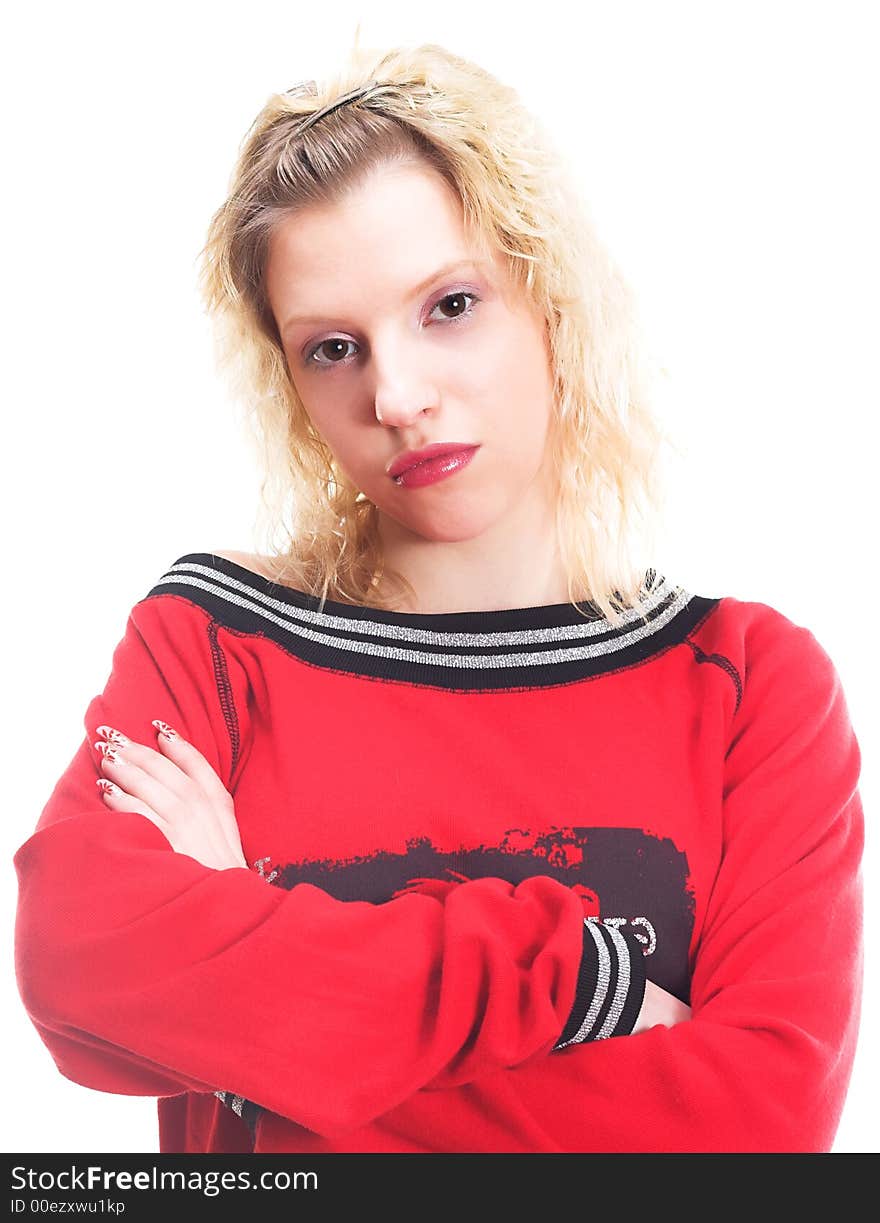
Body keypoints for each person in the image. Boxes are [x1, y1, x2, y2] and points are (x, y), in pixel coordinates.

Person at [13, 39, 863, 1154]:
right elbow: (82, 959)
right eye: (332, 348)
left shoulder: (752, 686)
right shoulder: (213, 646)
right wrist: (577, 988)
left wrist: (263, 1016)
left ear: (548, 289)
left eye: (450, 304)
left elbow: (752, 1129)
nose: (398, 393)